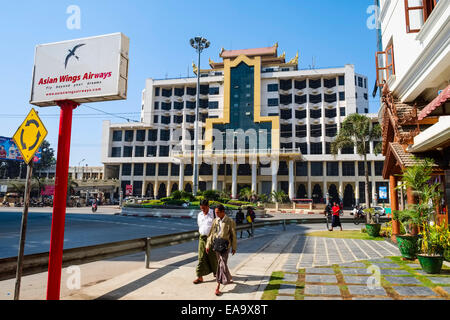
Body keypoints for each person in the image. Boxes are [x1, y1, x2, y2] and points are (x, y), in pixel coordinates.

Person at [206, 204, 237, 296]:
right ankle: (229, 277)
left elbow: (233, 236)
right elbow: (211, 234)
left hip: (225, 246)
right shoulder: (215, 221)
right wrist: (208, 245)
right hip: (216, 245)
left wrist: (234, 247)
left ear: (223, 212)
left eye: (217, 212)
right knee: (222, 263)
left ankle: (218, 287)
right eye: (215, 213)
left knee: (221, 264)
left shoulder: (229, 221)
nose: (216, 214)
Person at [193, 200, 218, 285]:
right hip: (202, 238)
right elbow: (199, 225)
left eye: (204, 208)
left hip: (212, 238)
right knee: (201, 257)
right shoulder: (199, 215)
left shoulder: (214, 213)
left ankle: (216, 272)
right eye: (201, 208)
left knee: (212, 256)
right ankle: (199, 276)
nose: (203, 210)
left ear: (208, 206)